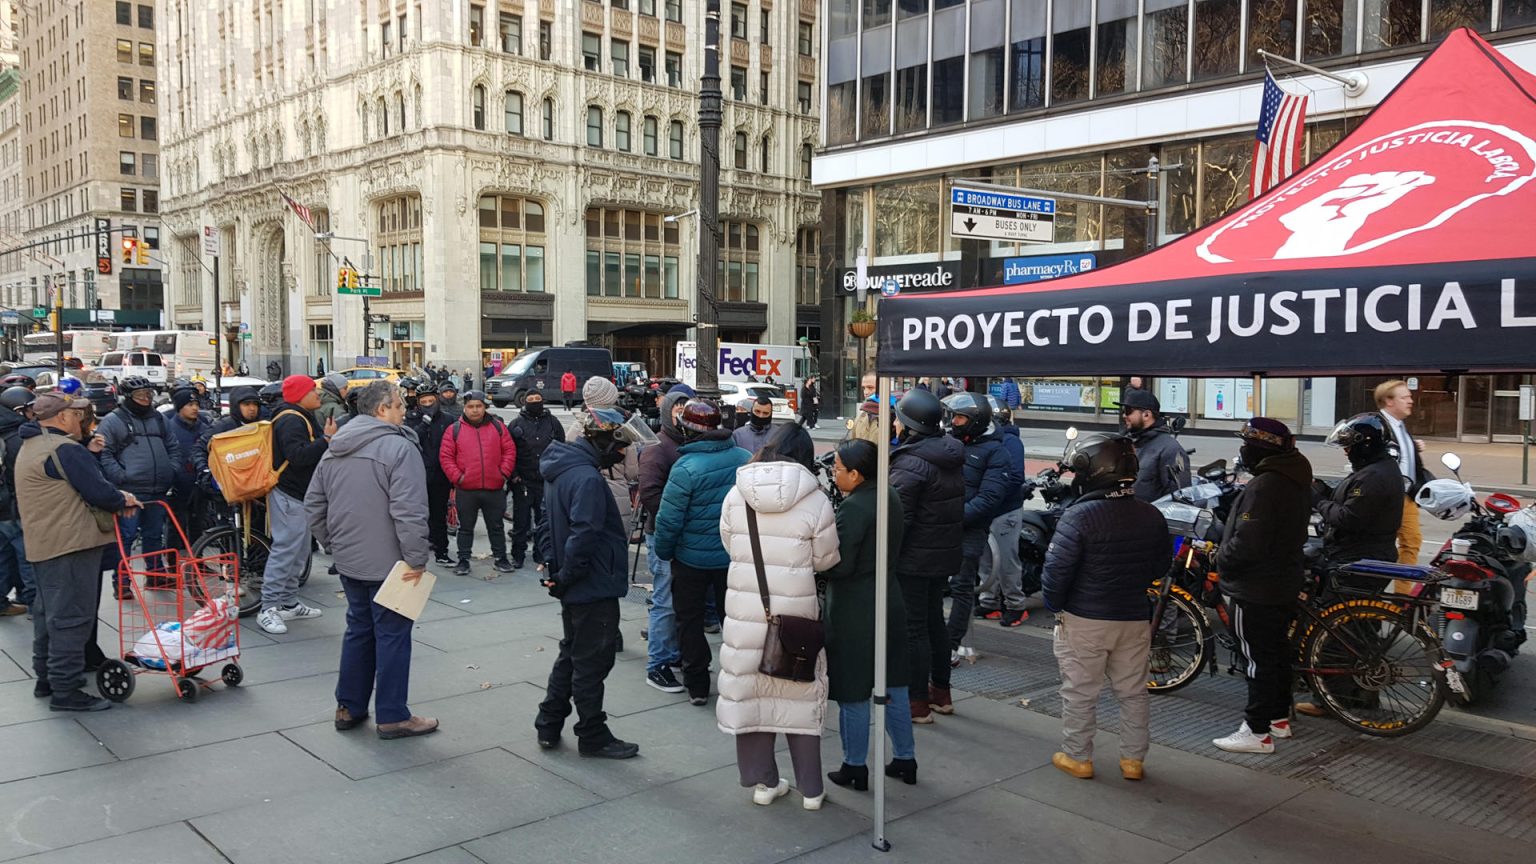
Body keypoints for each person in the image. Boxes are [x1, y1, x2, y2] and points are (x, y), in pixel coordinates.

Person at [306, 380, 439, 740]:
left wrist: (332, 543)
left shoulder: (336, 447)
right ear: (381, 410)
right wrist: (417, 558)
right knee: (393, 636)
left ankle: (349, 706)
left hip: (351, 559)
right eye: (398, 405)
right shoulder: (399, 447)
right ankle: (393, 715)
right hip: (391, 563)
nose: (404, 411)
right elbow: (409, 511)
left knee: (359, 631)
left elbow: (314, 504)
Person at [717, 434, 839, 809]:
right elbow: (825, 559)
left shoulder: (737, 494)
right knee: (799, 697)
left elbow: (728, 543)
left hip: (745, 612)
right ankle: (812, 791)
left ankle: (764, 783)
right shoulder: (815, 498)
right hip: (793, 615)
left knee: (751, 695)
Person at [1042, 433, 1168, 781]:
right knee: (1133, 692)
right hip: (1134, 616)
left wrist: (1057, 606)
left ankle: (1078, 756)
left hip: (1086, 617)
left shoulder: (1079, 516)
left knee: (1081, 691)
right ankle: (1133, 761)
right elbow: (1160, 567)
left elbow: (1056, 573)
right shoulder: (1150, 514)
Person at [17, 391, 141, 711]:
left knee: (49, 615)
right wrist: (122, 500)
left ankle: (47, 679)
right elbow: (98, 490)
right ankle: (66, 690)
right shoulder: (65, 449)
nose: (79, 420)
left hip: (44, 544)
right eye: (74, 415)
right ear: (61, 418)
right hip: (71, 545)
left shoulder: (30, 445)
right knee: (72, 618)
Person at [535, 407, 645, 759]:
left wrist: (556, 572)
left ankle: (549, 722)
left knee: (572, 652)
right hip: (591, 583)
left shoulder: (564, 467)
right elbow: (584, 534)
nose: (623, 452)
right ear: (601, 440)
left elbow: (546, 524)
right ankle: (592, 733)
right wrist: (566, 575)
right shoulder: (587, 479)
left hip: (575, 582)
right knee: (591, 662)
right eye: (620, 445)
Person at [1212, 418, 1313, 754]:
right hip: (1283, 579)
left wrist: (1221, 557)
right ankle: (1277, 718)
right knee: (1276, 653)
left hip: (1255, 586)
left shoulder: (1265, 486)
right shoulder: (1295, 476)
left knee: (1256, 659)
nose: (1242, 450)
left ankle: (1256, 732)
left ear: (1260, 448)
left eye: (1246, 444)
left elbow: (1248, 543)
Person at [823, 439, 917, 792]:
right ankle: (906, 757)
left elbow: (840, 565)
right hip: (889, 598)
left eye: (838, 469)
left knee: (854, 690)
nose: (835, 474)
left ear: (857, 474)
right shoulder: (889, 494)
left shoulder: (855, 507)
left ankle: (854, 765)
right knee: (894, 682)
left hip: (855, 608)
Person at [652, 400, 751, 705]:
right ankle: (739, 679)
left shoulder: (685, 468)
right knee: (733, 620)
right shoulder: (744, 458)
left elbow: (669, 520)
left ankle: (697, 684)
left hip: (690, 559)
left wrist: (665, 552)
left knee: (690, 621)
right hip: (731, 556)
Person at [887, 388, 964, 725]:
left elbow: (897, 518)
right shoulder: (948, 454)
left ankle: (917, 701)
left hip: (915, 559)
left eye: (898, 419)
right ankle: (941, 693)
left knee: (914, 629)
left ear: (910, 426)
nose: (894, 423)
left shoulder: (911, 463)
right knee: (935, 622)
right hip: (942, 554)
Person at [258, 375, 335, 635]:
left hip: (299, 494)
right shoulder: (292, 419)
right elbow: (298, 456)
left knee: (299, 552)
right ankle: (268, 608)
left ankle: (289, 602)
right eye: (313, 390)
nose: (318, 395)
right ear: (301, 394)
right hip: (289, 494)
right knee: (285, 551)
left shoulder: (296, 415)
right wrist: (325, 440)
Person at [942, 392, 1016, 665]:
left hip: (969, 530)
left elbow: (989, 498)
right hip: (942, 526)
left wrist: (955, 518)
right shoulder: (949, 441)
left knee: (962, 587)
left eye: (960, 417)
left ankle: (950, 645)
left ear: (975, 420)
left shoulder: (997, 452)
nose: (954, 422)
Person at [95, 376, 179, 591]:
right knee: (126, 538)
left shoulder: (159, 419)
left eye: (148, 394)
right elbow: (104, 453)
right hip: (130, 491)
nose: (145, 399)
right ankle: (121, 583)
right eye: (139, 395)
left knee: (153, 535)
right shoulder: (114, 421)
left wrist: (172, 469)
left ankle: (155, 576)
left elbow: (173, 446)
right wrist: (121, 477)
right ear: (128, 397)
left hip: (158, 488)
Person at [638, 387, 693, 693]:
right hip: (662, 533)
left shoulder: (685, 443)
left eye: (687, 407)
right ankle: (658, 664)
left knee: (678, 599)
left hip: (680, 533)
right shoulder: (658, 447)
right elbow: (649, 494)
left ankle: (672, 656)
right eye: (678, 408)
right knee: (665, 601)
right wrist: (676, 517)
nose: (683, 413)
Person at [439, 390, 517, 575]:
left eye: (478, 406)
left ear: (485, 407)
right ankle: (463, 560)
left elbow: (509, 451)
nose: (475, 410)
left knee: (496, 526)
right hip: (466, 489)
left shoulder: (498, 427)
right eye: (470, 407)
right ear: (464, 408)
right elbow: (446, 457)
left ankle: (501, 558)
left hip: (494, 487)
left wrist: (502, 474)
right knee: (465, 528)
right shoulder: (454, 430)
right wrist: (459, 478)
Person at [1314, 413, 1404, 568]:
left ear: (1364, 446)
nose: (1346, 452)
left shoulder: (1373, 477)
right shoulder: (1374, 469)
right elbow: (1351, 501)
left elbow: (1348, 518)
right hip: (1357, 554)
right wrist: (1323, 489)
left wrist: (1318, 502)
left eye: (1348, 447)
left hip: (1357, 558)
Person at [977, 405, 1029, 626]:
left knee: (1007, 560)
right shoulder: (987, 440)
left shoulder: (1010, 442)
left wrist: (990, 491)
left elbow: (1015, 476)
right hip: (988, 509)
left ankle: (1015, 606)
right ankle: (989, 602)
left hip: (1005, 509)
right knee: (986, 559)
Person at [507, 391, 563, 570]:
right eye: (530, 400)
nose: (534, 403)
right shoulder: (516, 424)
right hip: (522, 480)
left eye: (537, 400)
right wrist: (514, 474)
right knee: (520, 521)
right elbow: (509, 451)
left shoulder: (553, 422)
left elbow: (561, 447)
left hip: (546, 480)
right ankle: (518, 555)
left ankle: (542, 554)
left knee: (543, 521)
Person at [1376, 380, 1430, 564]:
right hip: (1384, 499)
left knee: (1412, 543)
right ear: (1389, 401)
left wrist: (1412, 447)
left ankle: (1403, 593)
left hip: (1406, 496)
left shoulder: (1399, 425)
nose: (1411, 401)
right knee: (1377, 548)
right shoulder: (1376, 425)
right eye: (1405, 397)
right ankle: (1364, 591)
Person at [407, 383, 455, 565]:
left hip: (442, 475)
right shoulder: (412, 419)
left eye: (431, 401)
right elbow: (409, 439)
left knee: (439, 515)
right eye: (424, 402)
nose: (428, 404)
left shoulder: (448, 419)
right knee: (418, 517)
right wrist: (424, 423)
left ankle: (442, 551)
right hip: (419, 474)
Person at [0, 386, 36, 617]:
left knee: (3, 558)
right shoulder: (19, 438)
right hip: (17, 509)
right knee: (29, 558)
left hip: (2, 509)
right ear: (20, 410)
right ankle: (35, 605)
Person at [1117, 390, 1190, 502]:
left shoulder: (1170, 449)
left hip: (1148, 517)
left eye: (1128, 411)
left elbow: (1180, 498)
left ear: (1146, 415)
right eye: (1123, 411)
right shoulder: (1127, 443)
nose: (1124, 415)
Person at [165, 388, 212, 543]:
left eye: (196, 404)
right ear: (179, 407)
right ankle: (173, 563)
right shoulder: (169, 429)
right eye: (190, 404)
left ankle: (198, 562)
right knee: (176, 526)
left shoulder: (205, 428)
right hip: (178, 485)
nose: (195, 408)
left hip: (199, 484)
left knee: (198, 525)